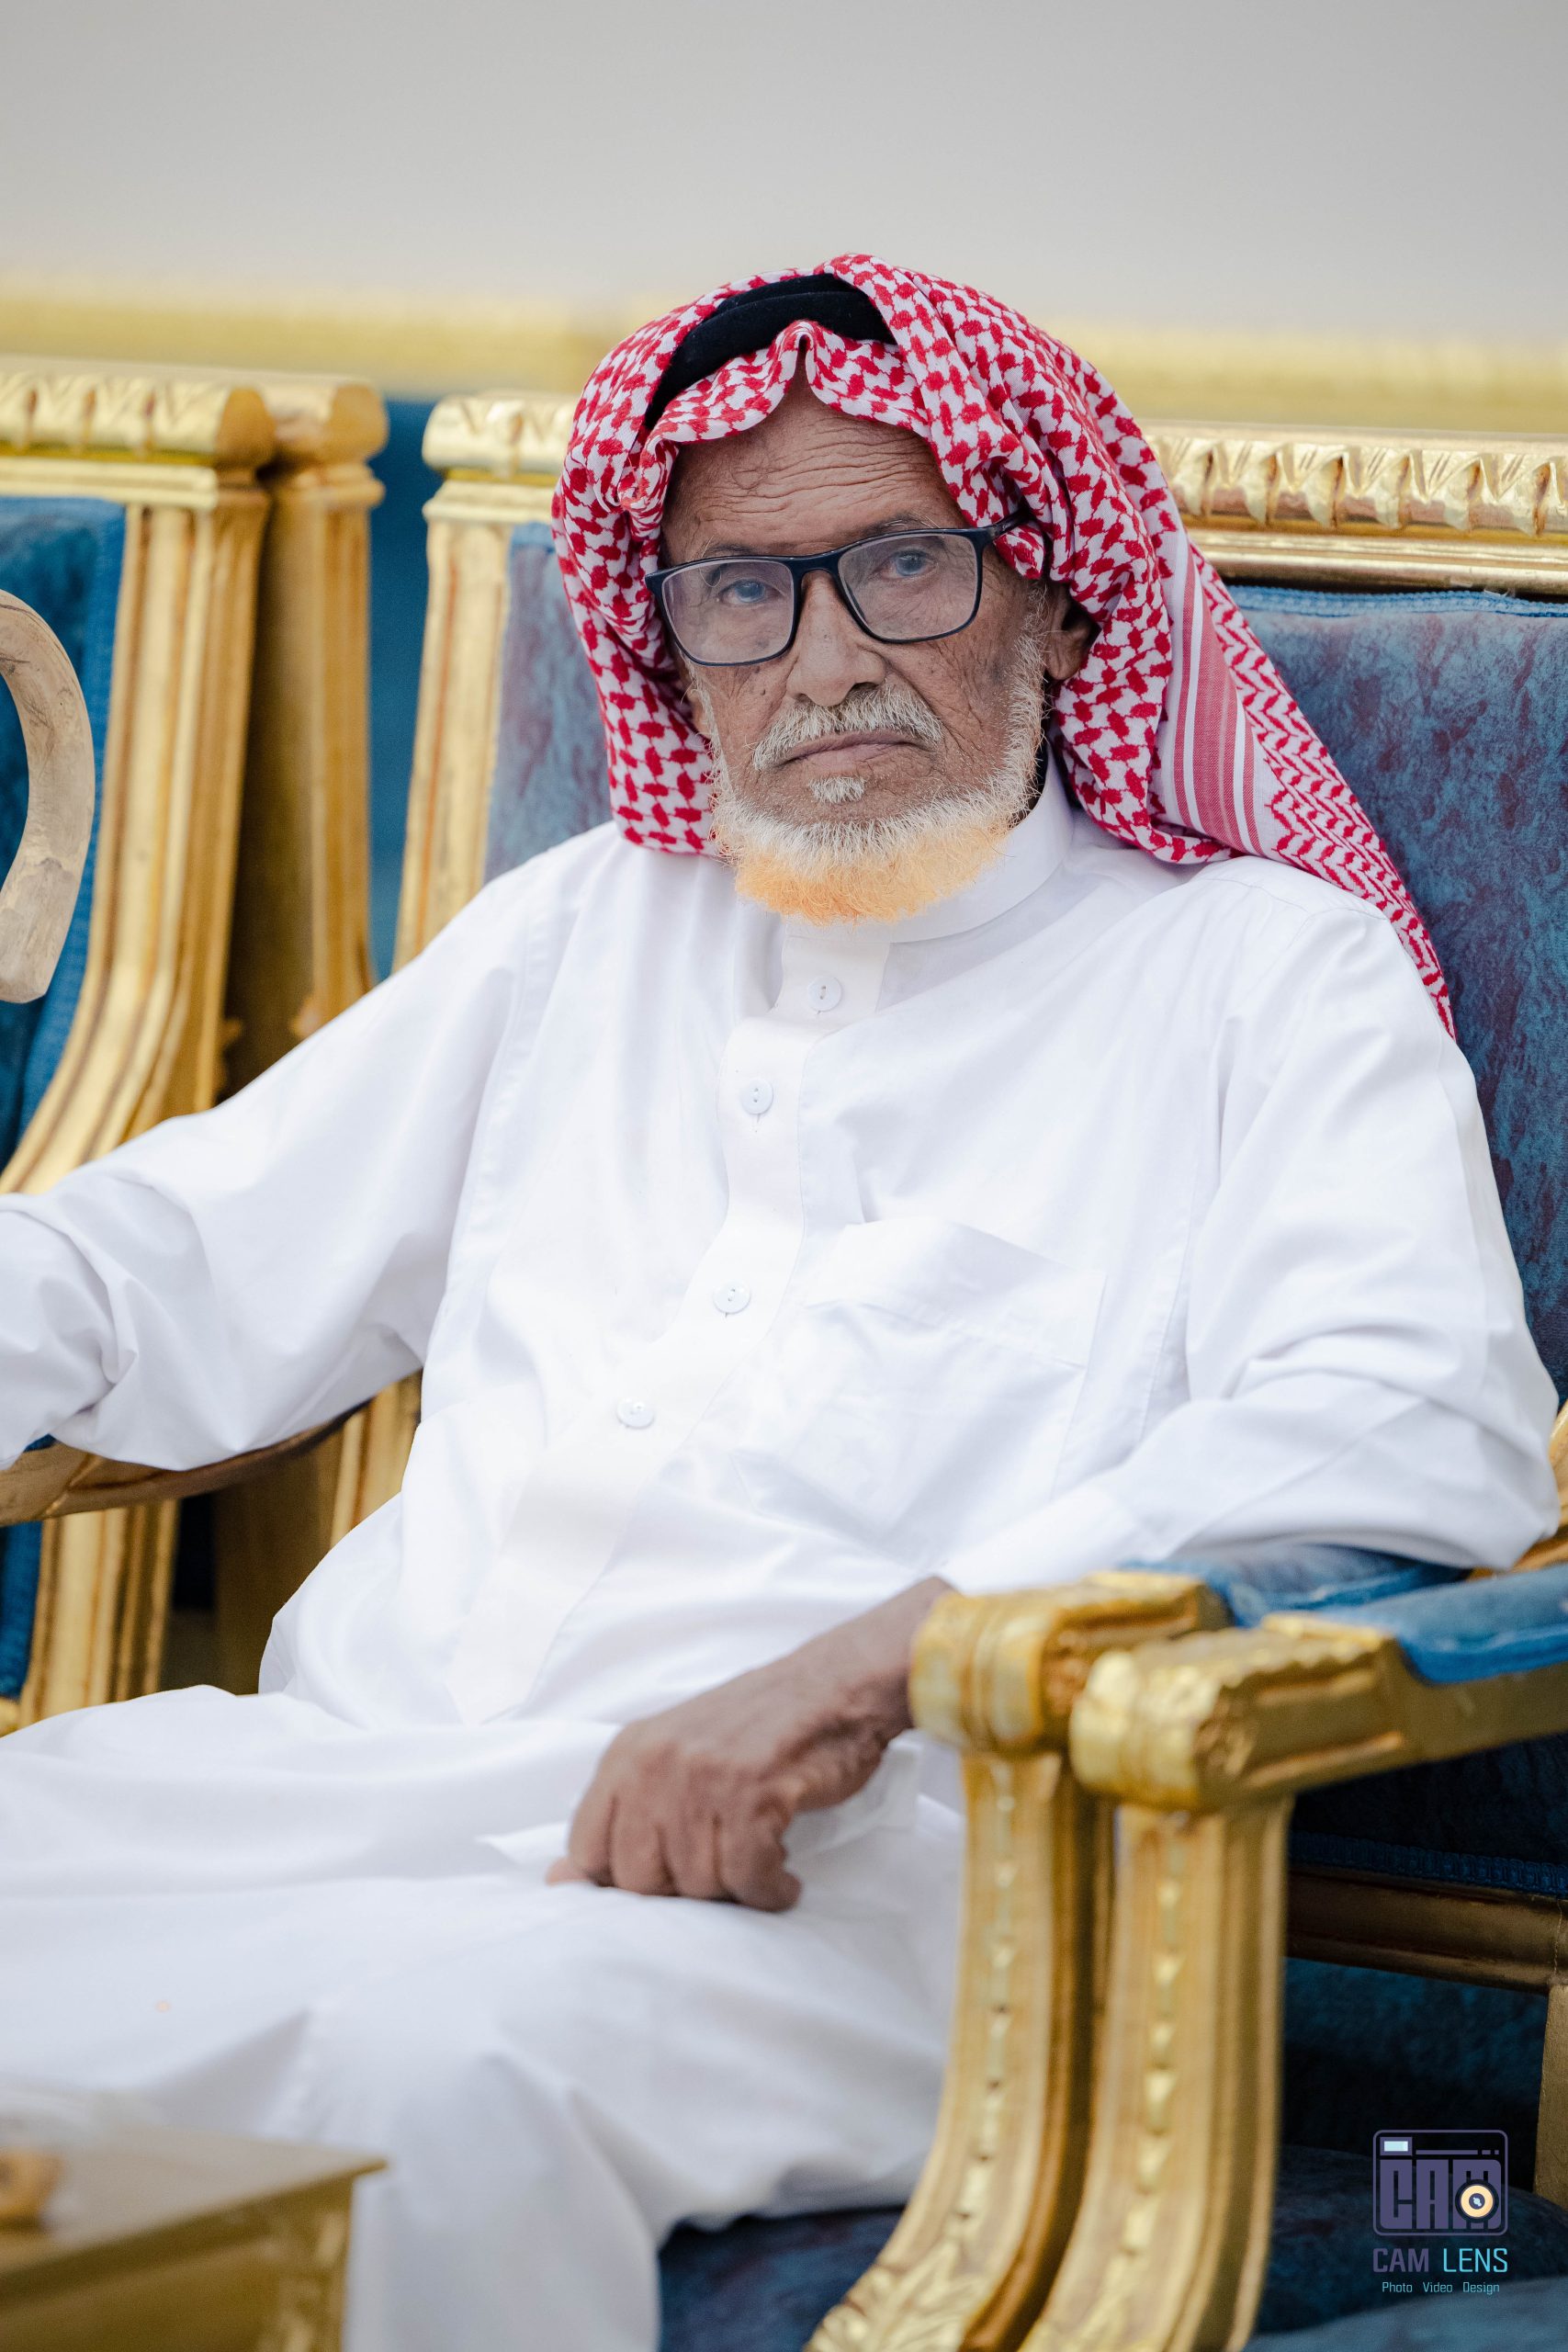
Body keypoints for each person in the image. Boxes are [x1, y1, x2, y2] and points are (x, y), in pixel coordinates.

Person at [0, 258, 1555, 2352]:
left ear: (1052, 588)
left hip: (848, 1896)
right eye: (742, 592)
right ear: (672, 646)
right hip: (337, 1789)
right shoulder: (589, 925)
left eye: (898, 565)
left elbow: (1411, 1418)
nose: (822, 661)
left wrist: (857, 1670)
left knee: (423, 2089)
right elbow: (155, 1263)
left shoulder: (1255, 973)